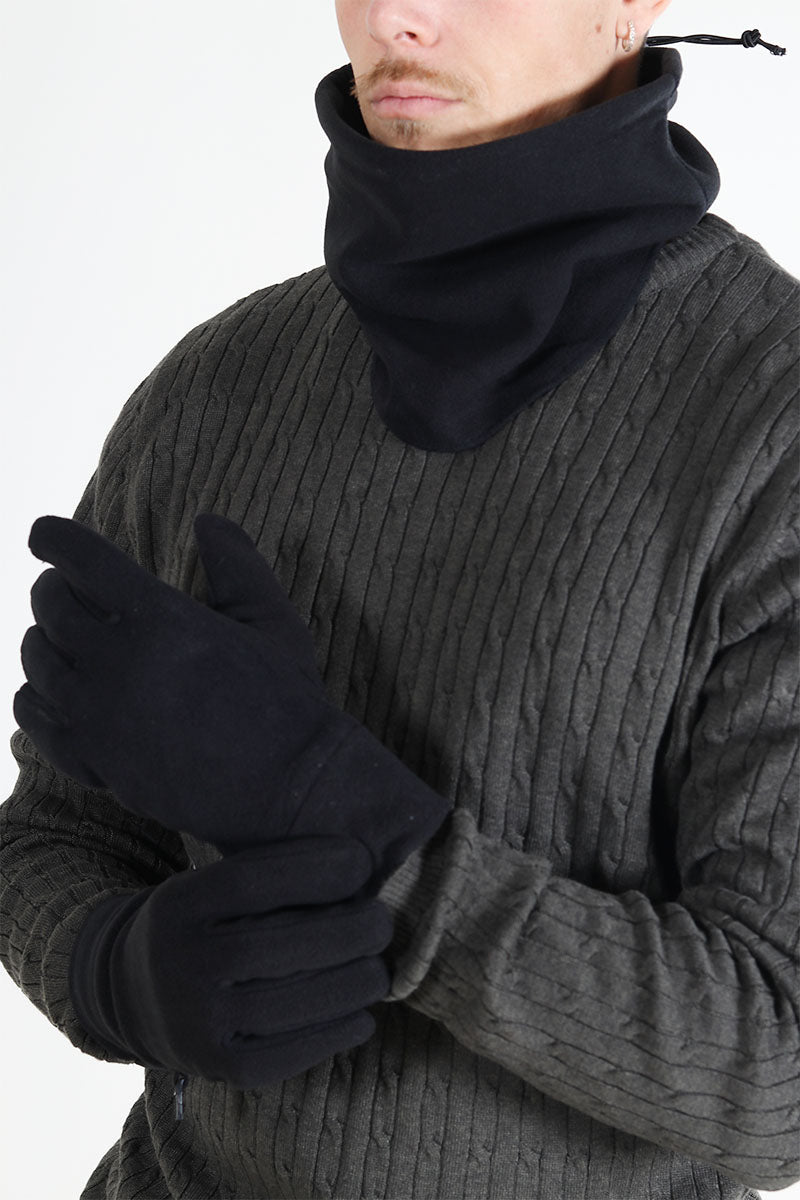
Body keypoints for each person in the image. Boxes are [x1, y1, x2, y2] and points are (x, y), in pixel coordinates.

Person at [1, 1, 798, 1197]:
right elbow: (51, 835)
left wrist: (351, 825)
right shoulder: (214, 388)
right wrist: (111, 967)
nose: (393, 17)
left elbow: (777, 1075)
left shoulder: (767, 425)